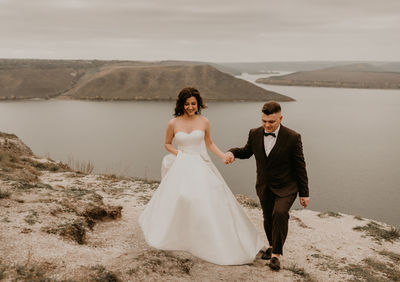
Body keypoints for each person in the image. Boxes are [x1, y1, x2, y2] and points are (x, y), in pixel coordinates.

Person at [139, 87, 264, 265]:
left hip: (200, 163)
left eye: (193, 104)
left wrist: (223, 156)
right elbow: (167, 143)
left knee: (209, 198)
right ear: (181, 104)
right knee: (183, 197)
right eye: (187, 104)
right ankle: (181, 235)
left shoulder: (204, 121)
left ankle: (208, 237)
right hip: (182, 163)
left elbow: (209, 143)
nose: (190, 107)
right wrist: (179, 154)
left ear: (198, 104)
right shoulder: (173, 123)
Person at [224, 101, 310, 271]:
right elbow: (247, 151)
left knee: (280, 213)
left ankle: (276, 255)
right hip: (264, 185)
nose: (267, 125)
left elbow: (300, 166)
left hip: (287, 186)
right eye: (264, 121)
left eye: (271, 122)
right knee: (268, 217)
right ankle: (271, 245)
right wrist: (231, 152)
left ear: (280, 118)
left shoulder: (293, 137)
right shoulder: (255, 133)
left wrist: (304, 193)